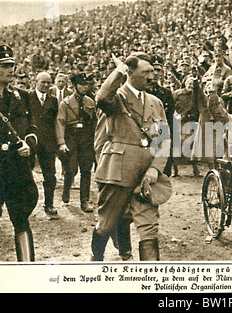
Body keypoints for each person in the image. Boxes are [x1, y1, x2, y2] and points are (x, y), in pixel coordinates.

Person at [91, 52, 171, 261]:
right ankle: (94, 262)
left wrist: (155, 168)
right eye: (147, 72)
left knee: (149, 228)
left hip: (147, 176)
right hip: (118, 173)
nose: (152, 76)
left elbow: (164, 139)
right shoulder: (117, 98)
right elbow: (101, 99)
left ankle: (149, 279)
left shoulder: (156, 102)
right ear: (131, 72)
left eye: (153, 72)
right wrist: (118, 71)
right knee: (106, 223)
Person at [0, 44, 39, 261]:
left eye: (12, 65)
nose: (10, 69)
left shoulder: (22, 96)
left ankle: (27, 267)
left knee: (21, 219)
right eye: (4, 65)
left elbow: (32, 127)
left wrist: (29, 144)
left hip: (17, 171)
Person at [56, 72, 96, 213]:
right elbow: (60, 123)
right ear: (74, 86)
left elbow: (94, 123)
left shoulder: (90, 102)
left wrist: (95, 141)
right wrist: (61, 142)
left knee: (86, 170)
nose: (85, 87)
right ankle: (66, 191)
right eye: (82, 84)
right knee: (72, 169)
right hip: (71, 138)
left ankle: (84, 201)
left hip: (85, 139)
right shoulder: (65, 103)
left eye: (86, 85)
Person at [28, 72, 59, 218]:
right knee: (25, 174)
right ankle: (24, 206)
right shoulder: (27, 97)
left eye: (49, 83)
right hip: (31, 142)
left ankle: (49, 204)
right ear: (36, 82)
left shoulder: (53, 101)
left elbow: (55, 122)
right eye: (43, 83)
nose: (46, 85)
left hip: (48, 144)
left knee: (50, 176)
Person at [148, 56, 176, 177]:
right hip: (146, 140)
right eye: (152, 70)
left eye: (158, 70)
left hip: (162, 138)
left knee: (163, 175)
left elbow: (170, 120)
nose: (155, 73)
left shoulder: (166, 93)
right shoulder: (143, 93)